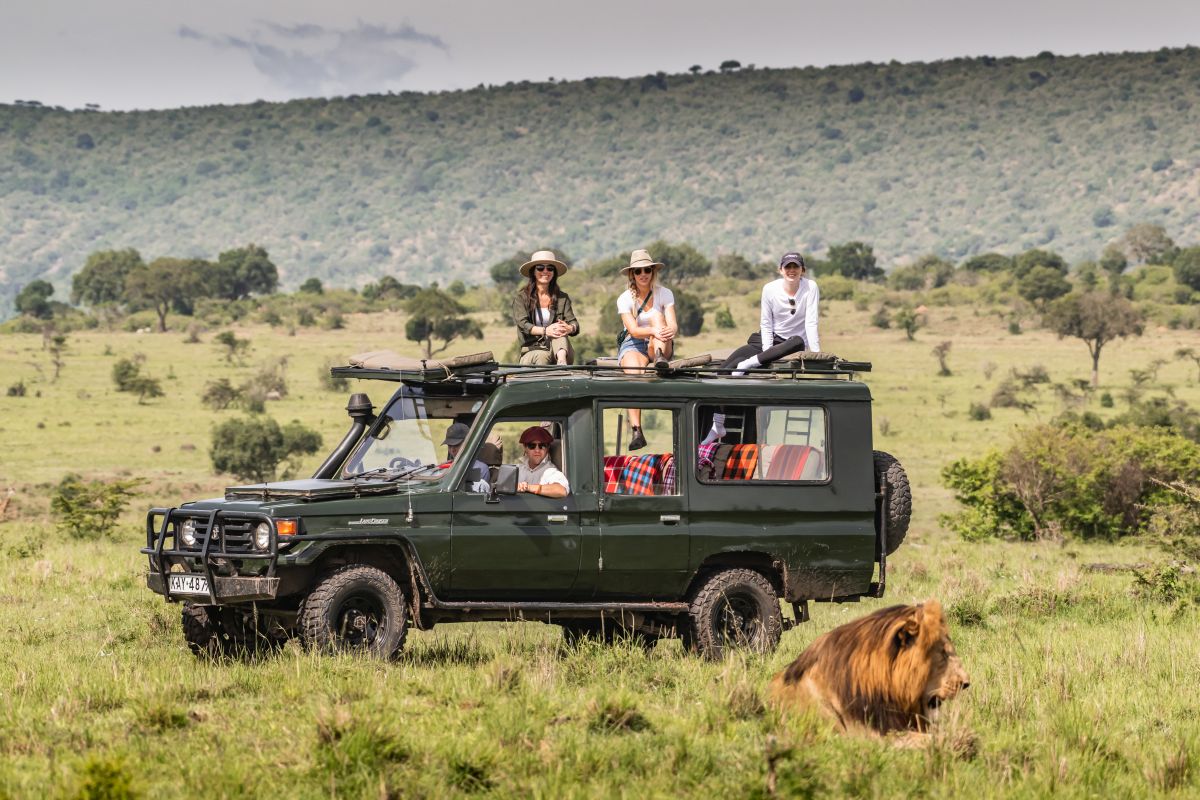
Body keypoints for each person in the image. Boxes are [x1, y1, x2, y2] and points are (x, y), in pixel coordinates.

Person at [705, 252, 821, 445]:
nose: (792, 270)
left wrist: (816, 354)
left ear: (803, 270)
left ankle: (749, 363)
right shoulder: (770, 289)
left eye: (796, 267)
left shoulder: (811, 287)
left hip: (792, 343)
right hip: (769, 340)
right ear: (780, 270)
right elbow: (766, 324)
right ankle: (718, 425)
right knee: (724, 369)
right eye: (788, 267)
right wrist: (767, 354)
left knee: (797, 341)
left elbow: (811, 322)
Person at [616, 248, 677, 450]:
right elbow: (633, 330)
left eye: (647, 270)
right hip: (635, 342)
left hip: (661, 341)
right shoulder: (625, 298)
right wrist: (652, 330)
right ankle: (637, 430)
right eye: (638, 271)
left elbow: (673, 325)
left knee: (657, 317)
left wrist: (664, 331)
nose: (643, 274)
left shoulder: (665, 293)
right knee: (633, 374)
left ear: (653, 272)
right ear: (632, 274)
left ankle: (659, 357)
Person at [512, 250, 579, 366]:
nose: (545, 271)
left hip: (560, 350)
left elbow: (574, 322)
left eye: (550, 268)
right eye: (540, 268)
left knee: (558, 331)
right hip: (532, 350)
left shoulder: (562, 298)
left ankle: (561, 362)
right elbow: (523, 325)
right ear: (533, 272)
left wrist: (570, 328)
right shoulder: (521, 298)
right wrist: (546, 331)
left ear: (554, 273)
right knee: (542, 355)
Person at [515, 425, 569, 497]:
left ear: (547, 448)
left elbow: (561, 490)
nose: (537, 450)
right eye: (532, 446)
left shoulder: (550, 471)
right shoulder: (518, 469)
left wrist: (528, 487)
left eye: (542, 446)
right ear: (525, 447)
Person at [442, 422, 490, 492]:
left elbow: (479, 495)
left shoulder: (481, 468)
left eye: (456, 445)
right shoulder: (446, 466)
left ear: (468, 444)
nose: (452, 450)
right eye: (449, 446)